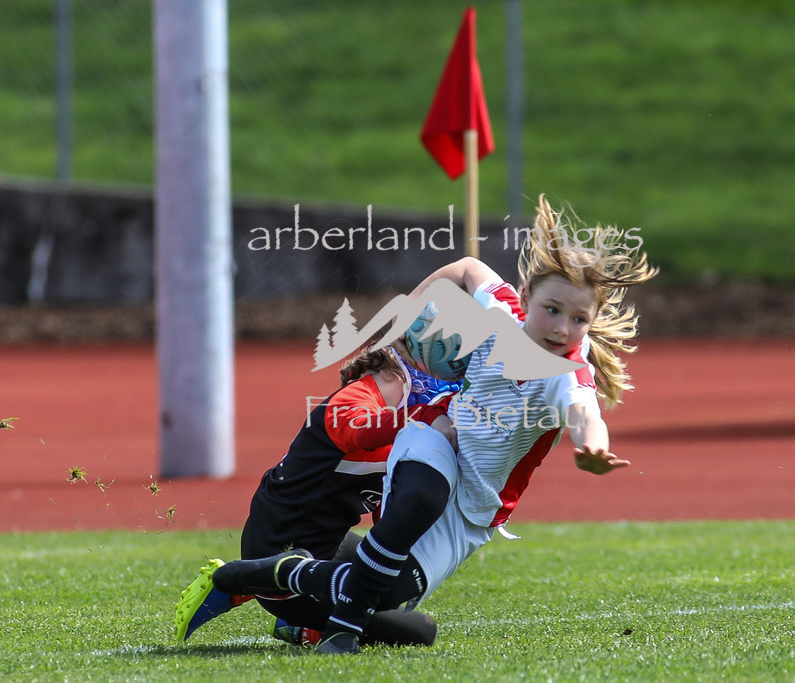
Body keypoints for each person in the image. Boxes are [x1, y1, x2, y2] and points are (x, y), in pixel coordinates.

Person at [213, 194, 658, 654]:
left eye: (579, 319)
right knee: (423, 494)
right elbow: (467, 267)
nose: (562, 328)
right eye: (552, 310)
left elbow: (586, 412)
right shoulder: (502, 311)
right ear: (526, 299)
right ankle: (341, 631)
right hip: (438, 434)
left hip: (476, 509)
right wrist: (416, 305)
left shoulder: (569, 375)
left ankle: (286, 573)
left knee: (388, 595)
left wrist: (593, 448)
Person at [174, 333, 459, 648]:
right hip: (277, 547)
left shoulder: (403, 427)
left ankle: (291, 614)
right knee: (417, 634)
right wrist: (423, 417)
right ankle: (243, 584)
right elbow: (362, 433)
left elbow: (389, 517)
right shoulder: (355, 399)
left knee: (394, 591)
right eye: (430, 375)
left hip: (328, 545)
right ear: (397, 370)